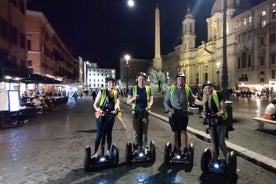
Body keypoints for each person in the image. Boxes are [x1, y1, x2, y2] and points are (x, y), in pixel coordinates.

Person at [163, 72, 202, 156]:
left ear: (184, 80)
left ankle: (185, 148)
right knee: (175, 131)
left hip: (183, 114)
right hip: (173, 114)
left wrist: (202, 103)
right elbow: (166, 101)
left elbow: (193, 100)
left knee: (184, 131)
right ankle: (174, 147)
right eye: (179, 78)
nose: (181, 80)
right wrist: (169, 108)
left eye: (182, 79)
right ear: (176, 80)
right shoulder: (171, 89)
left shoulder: (187, 89)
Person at [201, 81, 228, 165]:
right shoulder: (205, 98)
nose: (208, 89)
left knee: (220, 142)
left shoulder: (218, 94)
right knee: (213, 141)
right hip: (211, 121)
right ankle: (215, 158)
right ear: (204, 90)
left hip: (221, 121)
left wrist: (222, 111)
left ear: (212, 88)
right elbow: (205, 109)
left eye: (209, 87)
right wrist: (203, 113)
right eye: (206, 88)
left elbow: (222, 104)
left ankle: (227, 159)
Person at [92, 77, 120, 157]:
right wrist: (98, 109)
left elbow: (117, 103)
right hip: (102, 115)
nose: (112, 84)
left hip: (110, 115)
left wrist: (116, 109)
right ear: (107, 84)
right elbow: (95, 104)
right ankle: (95, 152)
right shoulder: (102, 92)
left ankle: (107, 151)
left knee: (109, 134)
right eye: (110, 82)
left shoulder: (115, 93)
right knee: (100, 134)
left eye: (113, 82)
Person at [127, 72, 153, 149]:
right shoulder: (133, 88)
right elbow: (128, 101)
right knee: (136, 132)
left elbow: (151, 100)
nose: (142, 81)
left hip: (145, 112)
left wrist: (149, 105)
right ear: (137, 80)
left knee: (145, 132)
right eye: (140, 79)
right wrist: (133, 98)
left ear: (145, 80)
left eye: (143, 79)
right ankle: (136, 148)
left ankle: (145, 147)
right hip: (136, 112)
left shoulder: (148, 89)